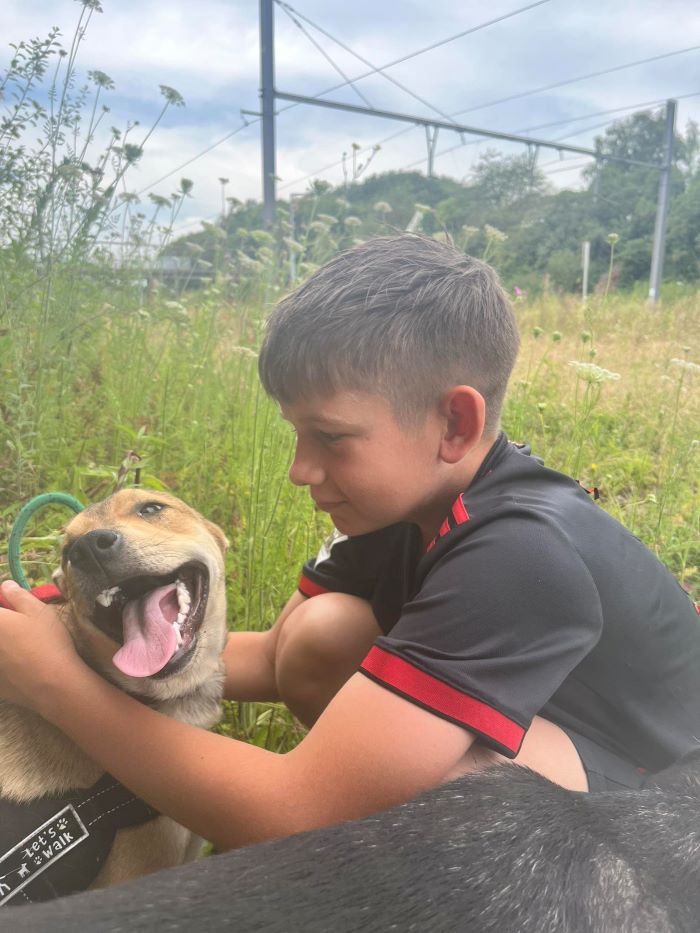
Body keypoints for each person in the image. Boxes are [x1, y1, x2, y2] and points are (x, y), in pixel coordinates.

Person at [0, 234, 698, 853]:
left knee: (452, 795)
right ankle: (368, 789)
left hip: (666, 806)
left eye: (331, 437)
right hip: (549, 721)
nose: (302, 469)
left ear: (453, 421)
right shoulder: (401, 500)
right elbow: (277, 658)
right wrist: (75, 648)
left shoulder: (523, 550)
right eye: (296, 434)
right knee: (319, 632)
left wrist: (58, 688)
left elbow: (291, 812)